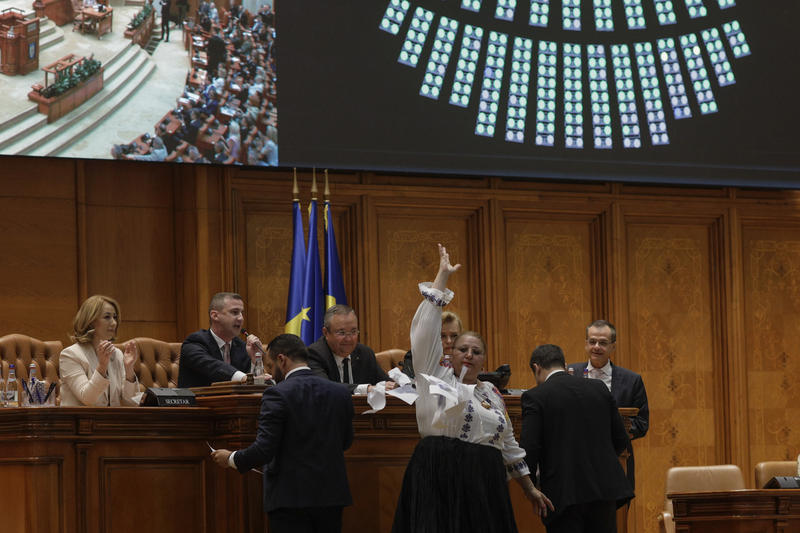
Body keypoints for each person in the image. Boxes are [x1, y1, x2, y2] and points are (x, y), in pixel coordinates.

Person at [392, 244, 552, 533]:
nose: (468, 354)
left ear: (483, 358)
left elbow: (510, 447)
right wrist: (442, 278)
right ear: (450, 352)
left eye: (476, 351)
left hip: (484, 484)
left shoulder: (491, 393)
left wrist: (530, 490)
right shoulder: (434, 377)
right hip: (439, 475)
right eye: (461, 348)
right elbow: (424, 332)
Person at [211, 334, 354, 533]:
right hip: (331, 496)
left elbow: (264, 450)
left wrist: (231, 458)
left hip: (290, 499)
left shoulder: (277, 393)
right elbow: (346, 441)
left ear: (282, 360)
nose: (270, 373)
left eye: (269, 366)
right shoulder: (340, 392)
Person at [522, 344, 633, 533]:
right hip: (604, 490)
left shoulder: (535, 396)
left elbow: (530, 448)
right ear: (564, 366)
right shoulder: (599, 388)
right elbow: (621, 439)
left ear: (536, 368)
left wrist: (530, 487)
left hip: (563, 493)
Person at [566, 320, 649, 492]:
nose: (596, 347)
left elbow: (642, 424)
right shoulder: (569, 375)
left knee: (616, 516)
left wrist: (612, 431)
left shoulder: (631, 380)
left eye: (603, 343)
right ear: (586, 344)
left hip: (617, 458)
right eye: (592, 341)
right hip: (576, 460)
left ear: (613, 347)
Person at [60, 295, 140, 406]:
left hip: (110, 422)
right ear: (91, 321)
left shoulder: (117, 354)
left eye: (115, 317)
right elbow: (87, 399)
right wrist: (102, 367)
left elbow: (132, 403)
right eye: (107, 317)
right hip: (81, 422)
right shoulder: (70, 355)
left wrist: (129, 369)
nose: (114, 323)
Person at [177, 292, 263, 388]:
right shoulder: (195, 342)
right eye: (235, 312)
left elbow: (253, 386)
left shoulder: (242, 346)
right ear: (215, 316)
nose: (241, 318)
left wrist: (255, 360)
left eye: (242, 313)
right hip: (200, 401)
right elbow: (213, 367)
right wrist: (244, 377)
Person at [307, 305, 394, 394]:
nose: (349, 339)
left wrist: (397, 385)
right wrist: (366, 389)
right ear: (326, 333)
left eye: (353, 332)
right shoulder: (314, 354)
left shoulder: (365, 353)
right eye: (341, 333)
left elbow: (385, 383)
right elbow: (325, 387)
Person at [401, 310, 461, 379]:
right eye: (442, 336)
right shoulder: (417, 357)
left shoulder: (468, 358)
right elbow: (405, 384)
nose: (449, 341)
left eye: (454, 336)